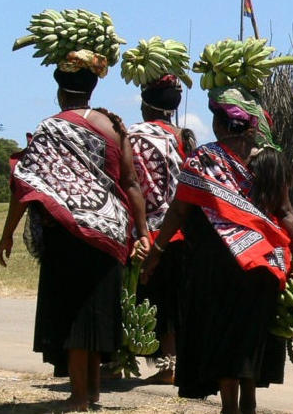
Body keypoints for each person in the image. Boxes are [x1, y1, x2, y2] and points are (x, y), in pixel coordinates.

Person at [0, 49, 150, 412]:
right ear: (92, 88)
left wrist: (8, 233)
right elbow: (131, 183)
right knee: (98, 313)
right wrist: (141, 230)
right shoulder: (114, 126)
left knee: (77, 314)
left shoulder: (52, 128)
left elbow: (26, 182)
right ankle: (91, 391)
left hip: (68, 233)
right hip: (110, 232)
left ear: (61, 91)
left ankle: (79, 398)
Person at [143, 85, 293, 414]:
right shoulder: (271, 161)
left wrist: (156, 250)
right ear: (251, 127)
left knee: (224, 338)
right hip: (264, 266)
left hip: (218, 266)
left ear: (219, 126)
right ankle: (249, 403)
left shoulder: (204, 159)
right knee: (249, 336)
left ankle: (230, 407)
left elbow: (178, 211)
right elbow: (286, 213)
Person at [125, 74, 196, 384]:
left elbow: (129, 182)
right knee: (173, 297)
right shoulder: (184, 137)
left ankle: (166, 367)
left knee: (148, 298)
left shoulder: (133, 135)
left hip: (147, 229)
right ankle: (172, 363)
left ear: (145, 104)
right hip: (181, 226)